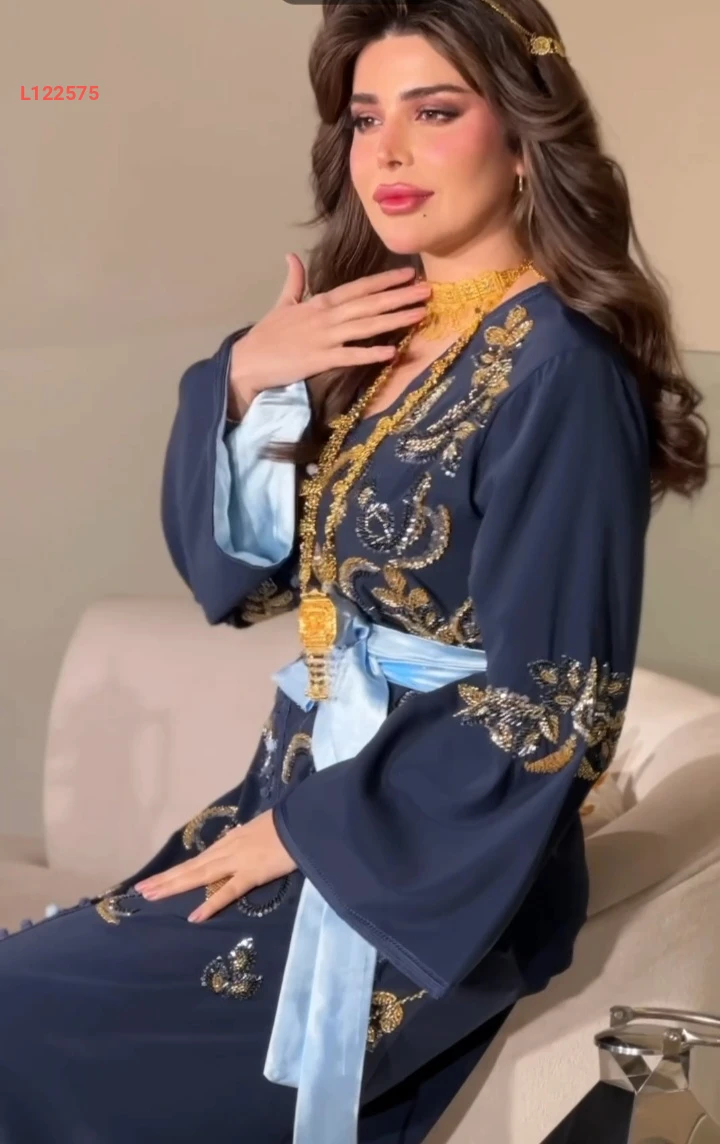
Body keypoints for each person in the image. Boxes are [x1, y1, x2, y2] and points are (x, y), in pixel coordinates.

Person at [0, 1, 710, 1141]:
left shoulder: (562, 374)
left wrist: (307, 834)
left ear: (525, 140)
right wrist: (249, 380)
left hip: (418, 865)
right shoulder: (379, 342)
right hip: (287, 798)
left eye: (435, 112)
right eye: (366, 118)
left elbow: (552, 702)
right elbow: (251, 582)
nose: (387, 153)